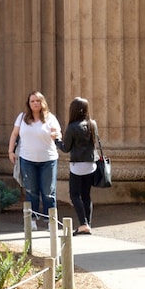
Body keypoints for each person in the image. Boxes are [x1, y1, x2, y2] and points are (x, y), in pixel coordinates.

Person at [7, 91, 61, 230]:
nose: (35, 103)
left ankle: (51, 220)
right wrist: (11, 151)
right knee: (31, 190)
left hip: (48, 159)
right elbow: (14, 134)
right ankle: (32, 220)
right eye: (32, 101)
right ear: (29, 104)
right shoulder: (22, 117)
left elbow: (57, 133)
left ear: (42, 102)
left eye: (38, 100)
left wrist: (55, 134)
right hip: (27, 159)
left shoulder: (50, 118)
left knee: (48, 191)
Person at [54, 97, 98, 235]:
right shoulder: (92, 124)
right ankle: (88, 224)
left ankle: (83, 224)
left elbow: (66, 148)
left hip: (77, 165)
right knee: (86, 195)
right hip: (91, 164)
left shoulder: (72, 127)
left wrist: (56, 140)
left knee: (74, 195)